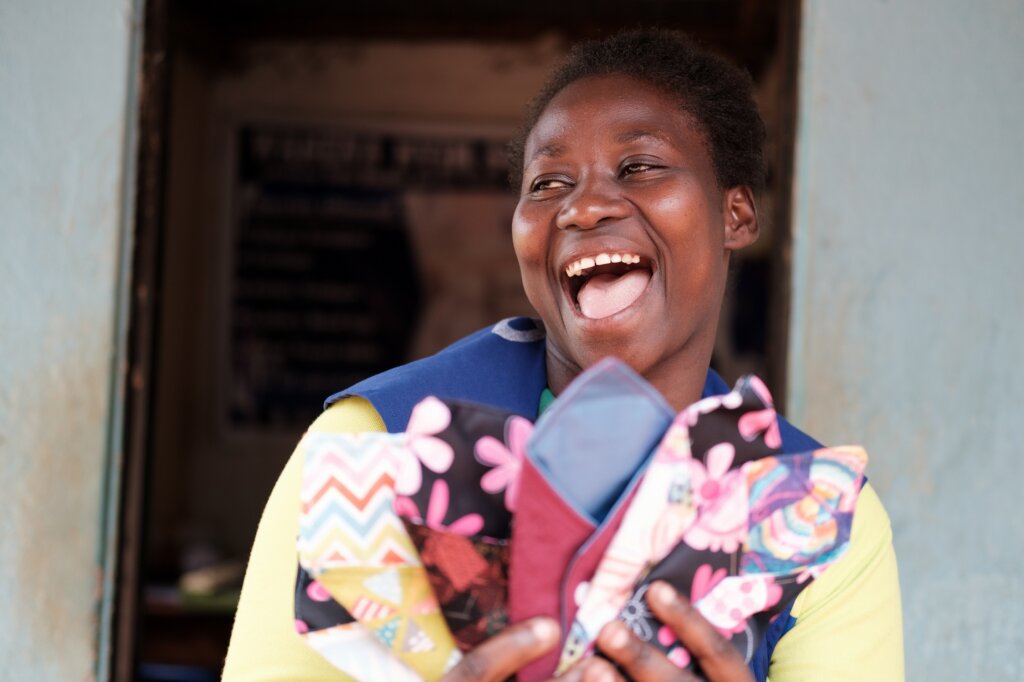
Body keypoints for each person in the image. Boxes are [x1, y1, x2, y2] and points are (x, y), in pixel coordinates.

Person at [224, 29, 903, 681]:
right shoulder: (375, 446)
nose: (584, 208)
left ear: (736, 215)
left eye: (639, 167)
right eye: (547, 184)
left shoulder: (811, 510)